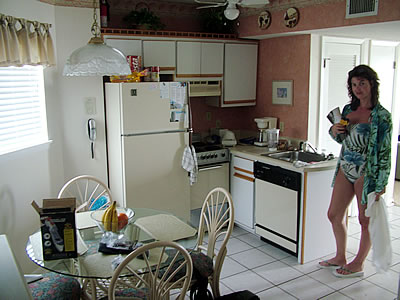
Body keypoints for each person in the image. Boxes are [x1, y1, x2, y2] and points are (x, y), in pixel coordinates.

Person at [319, 64, 392, 278]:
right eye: (354, 84)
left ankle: (358, 263)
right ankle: (340, 256)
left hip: (366, 172)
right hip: (346, 166)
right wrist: (333, 130)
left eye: (362, 83)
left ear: (371, 85)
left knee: (364, 219)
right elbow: (341, 138)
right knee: (333, 214)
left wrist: (381, 183)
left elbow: (385, 152)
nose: (358, 88)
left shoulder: (382, 116)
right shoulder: (348, 110)